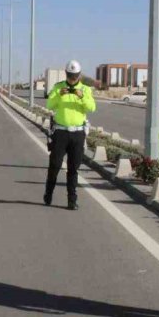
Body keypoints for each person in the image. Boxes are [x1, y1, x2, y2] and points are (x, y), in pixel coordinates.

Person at [44, 60, 96, 210]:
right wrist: (58, 96)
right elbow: (49, 105)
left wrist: (82, 97)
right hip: (60, 132)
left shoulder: (85, 90)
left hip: (78, 133)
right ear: (66, 74)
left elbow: (92, 107)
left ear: (79, 75)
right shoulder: (58, 87)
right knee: (54, 165)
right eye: (70, 76)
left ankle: (72, 201)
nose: (73, 79)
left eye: (75, 76)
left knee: (73, 168)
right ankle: (48, 194)